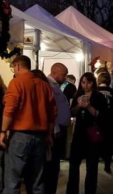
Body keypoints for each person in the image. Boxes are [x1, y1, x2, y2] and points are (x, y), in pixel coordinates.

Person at [0, 56, 57, 194]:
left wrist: (3, 131)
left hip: (20, 135)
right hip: (40, 137)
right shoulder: (44, 85)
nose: (14, 70)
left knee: (13, 181)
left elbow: (10, 109)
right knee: (37, 181)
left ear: (18, 66)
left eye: (13, 67)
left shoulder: (16, 82)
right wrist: (49, 135)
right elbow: (53, 113)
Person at [66, 73, 108, 194]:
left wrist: (89, 106)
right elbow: (72, 112)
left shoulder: (99, 97)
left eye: (88, 82)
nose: (86, 85)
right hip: (79, 133)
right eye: (83, 82)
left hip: (93, 132)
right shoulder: (78, 94)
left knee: (92, 166)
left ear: (93, 83)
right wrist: (79, 105)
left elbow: (102, 116)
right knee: (73, 164)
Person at [44, 64, 71, 194]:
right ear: (55, 73)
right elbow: (50, 109)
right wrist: (54, 128)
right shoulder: (49, 85)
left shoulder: (55, 85)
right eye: (63, 74)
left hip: (59, 128)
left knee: (54, 163)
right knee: (52, 165)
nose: (65, 78)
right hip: (55, 130)